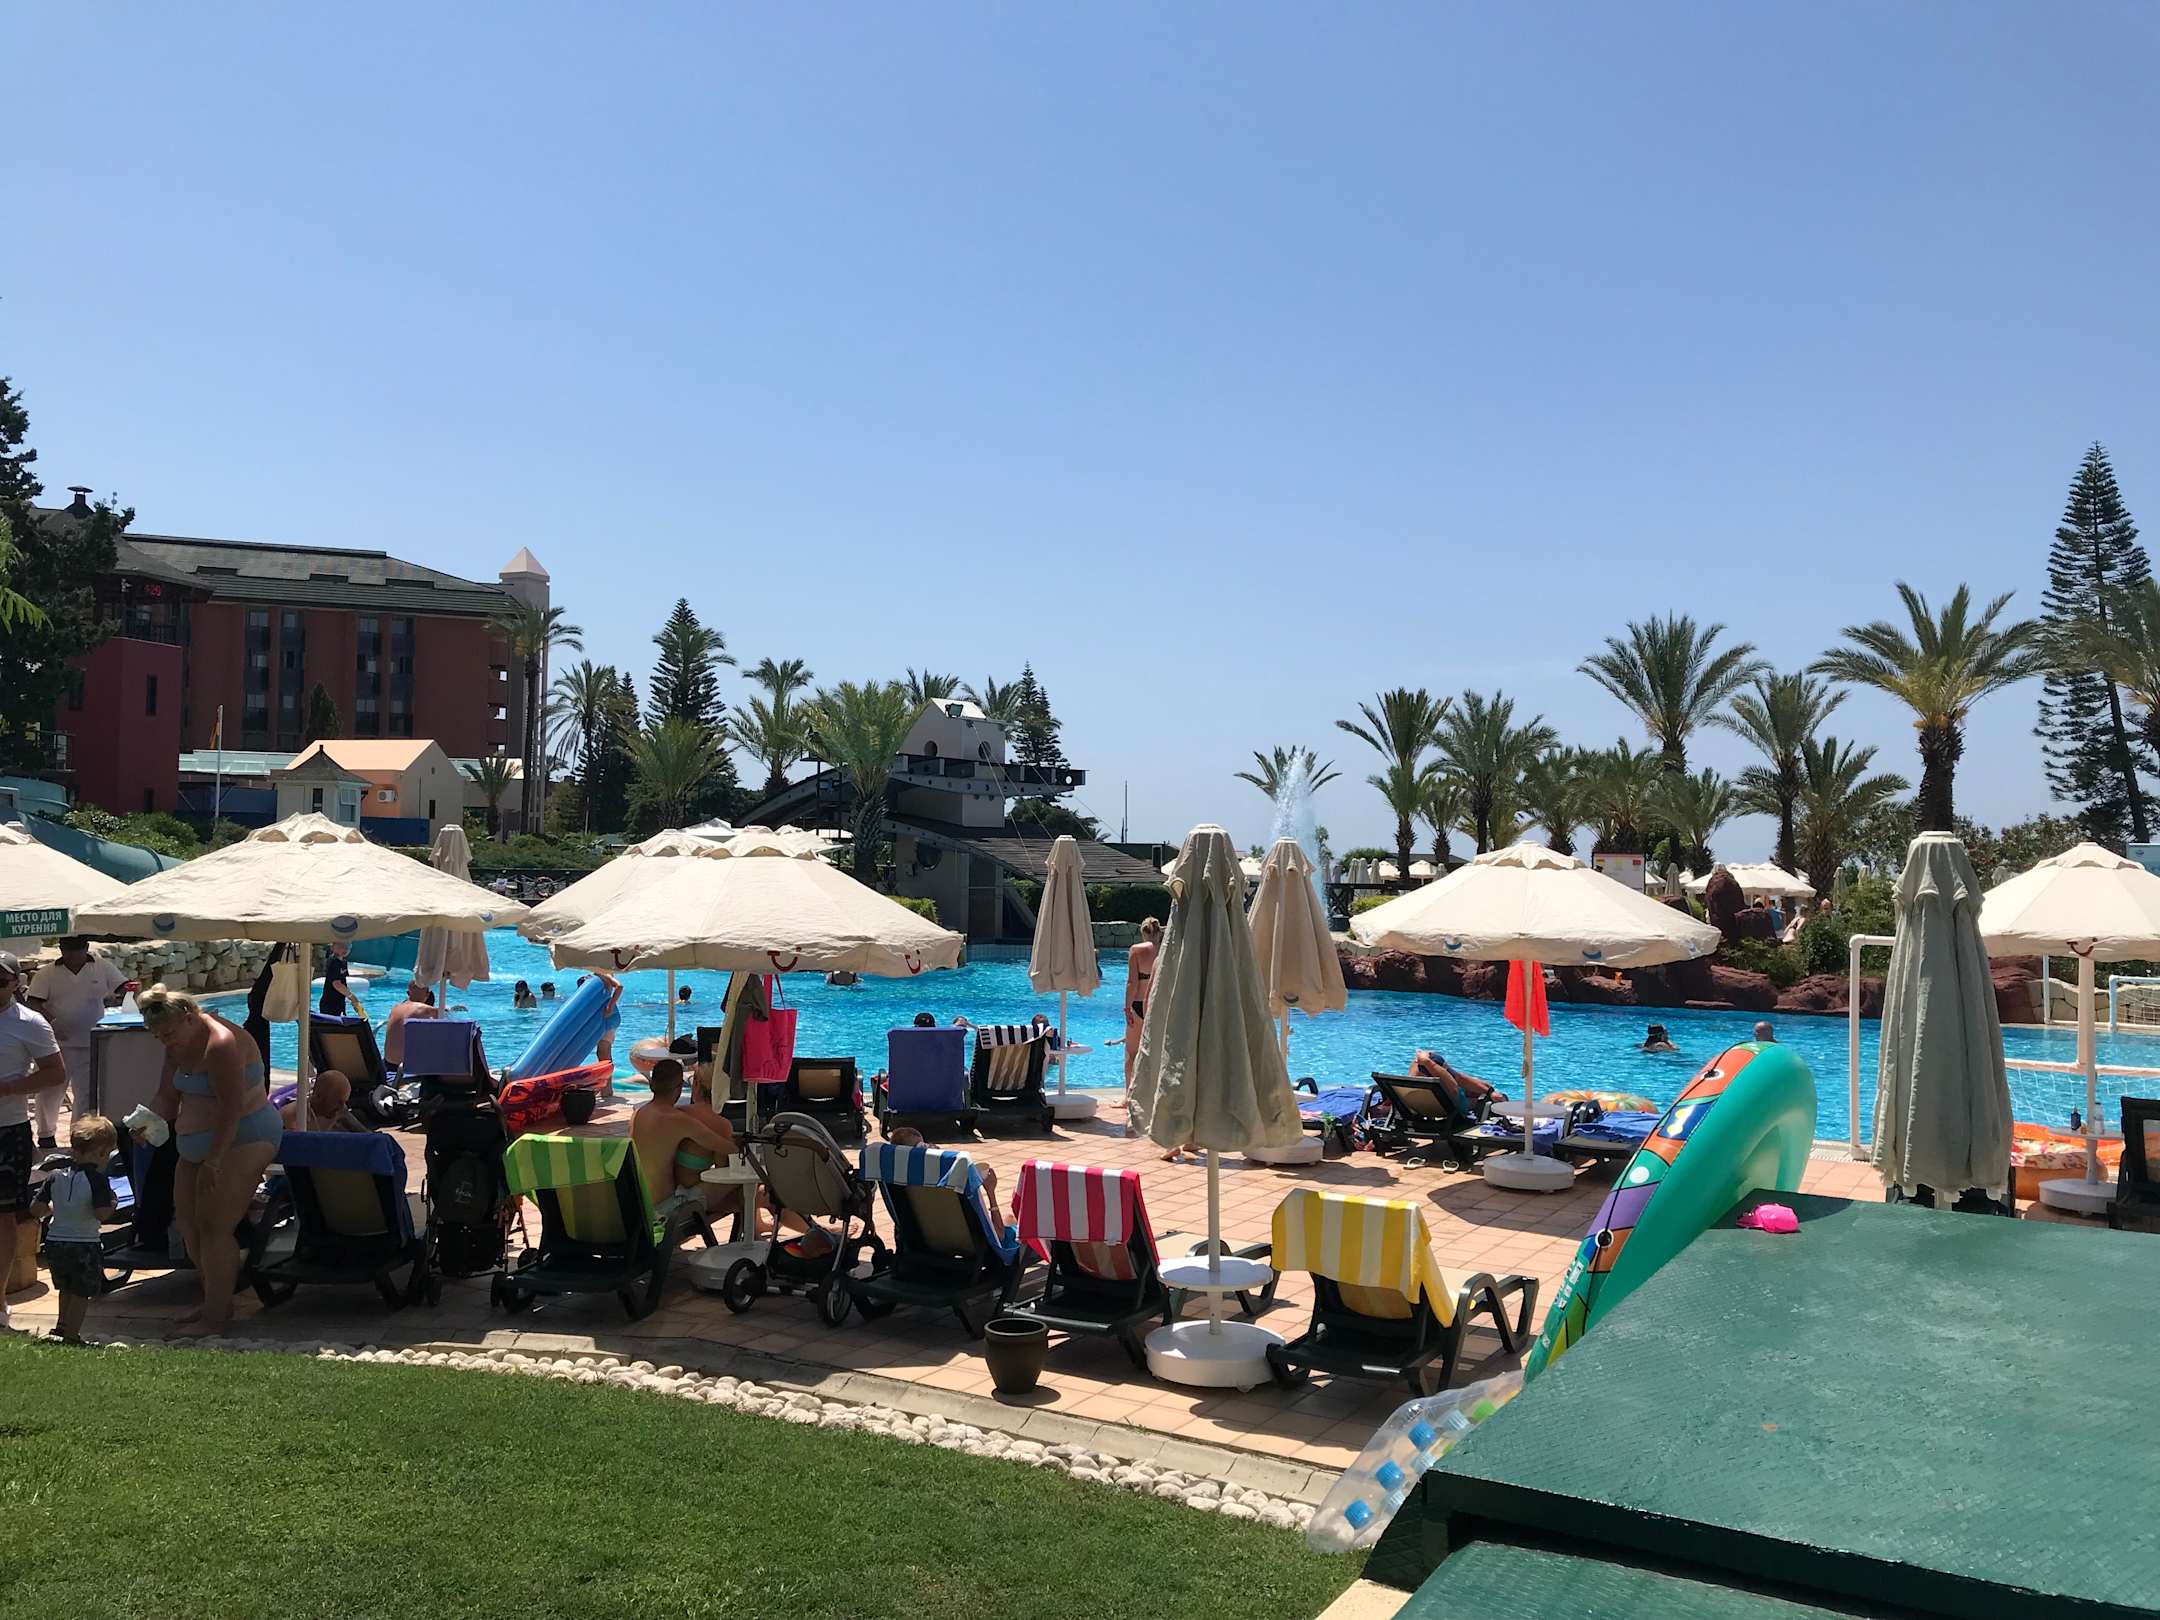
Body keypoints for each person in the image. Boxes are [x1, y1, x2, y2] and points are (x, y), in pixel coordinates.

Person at [140, 983, 283, 1337]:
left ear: (189, 1018)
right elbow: (166, 1096)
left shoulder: (221, 1044)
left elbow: (230, 1109)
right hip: (195, 1144)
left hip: (243, 1137)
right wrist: (146, 1122)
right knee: (189, 1226)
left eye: (168, 1034)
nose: (164, 1041)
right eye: (158, 1036)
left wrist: (214, 1161)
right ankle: (215, 1301)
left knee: (215, 1226)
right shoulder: (175, 1044)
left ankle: (215, 1319)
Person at [0, 951, 66, 1334]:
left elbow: (55, 1073)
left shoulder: (29, 1022)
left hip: (7, 1130)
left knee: (4, 1216)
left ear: (15, 984)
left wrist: (9, 1088)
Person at [27, 936, 128, 1149]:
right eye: (66, 949)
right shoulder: (47, 973)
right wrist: (52, 1022)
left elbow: (123, 986)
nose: (71, 954)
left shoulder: (101, 966)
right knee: (50, 1091)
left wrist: (129, 994)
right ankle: (46, 1135)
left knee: (85, 1093)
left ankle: (79, 1137)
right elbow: (33, 1002)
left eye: (75, 949)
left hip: (91, 1041)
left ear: (86, 948)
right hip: (55, 1044)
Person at [37, 1113, 119, 1344]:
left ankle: (61, 1328)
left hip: (55, 1243)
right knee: (82, 1292)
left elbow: (36, 1208)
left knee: (65, 1288)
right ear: (102, 1153)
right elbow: (101, 1213)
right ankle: (72, 1336)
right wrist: (113, 1203)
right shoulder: (97, 1180)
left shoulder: (55, 1177)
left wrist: (57, 1207)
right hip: (84, 1243)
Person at [629, 1058, 740, 1229]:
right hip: (665, 1209)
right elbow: (728, 1148)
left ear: (652, 1084)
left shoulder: (638, 1114)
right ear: (680, 1087)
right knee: (740, 1182)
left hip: (639, 1204)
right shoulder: (677, 1119)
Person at [885, 1124, 999, 1220]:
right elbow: (999, 1234)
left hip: (915, 1238)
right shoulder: (948, 1184)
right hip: (961, 1237)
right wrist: (990, 1192)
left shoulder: (895, 1181)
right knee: (1008, 1220)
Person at [242, 941, 295, 1078]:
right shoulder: (260, 997)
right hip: (258, 1025)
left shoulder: (258, 998)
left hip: (256, 1025)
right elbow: (269, 971)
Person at [1124, 917, 1162, 1089]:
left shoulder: (1136, 950)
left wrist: (1127, 1008)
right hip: (1158, 1004)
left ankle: (1129, 1094)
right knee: (1157, 1052)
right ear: (1159, 932)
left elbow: (1132, 983)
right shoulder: (1166, 950)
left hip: (1138, 1004)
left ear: (1143, 933)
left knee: (1132, 1053)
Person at [279, 1068, 367, 1133]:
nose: (341, 1107)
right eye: (338, 1102)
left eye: (344, 1102)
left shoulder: (339, 1109)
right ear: (318, 1097)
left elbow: (365, 1134)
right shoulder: (293, 1116)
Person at [1411, 1049, 1502, 1109]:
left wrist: (1424, 1056)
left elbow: (1420, 1060)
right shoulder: (1447, 1081)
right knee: (1486, 1098)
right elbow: (1460, 1079)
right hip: (1451, 1108)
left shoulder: (1411, 1081)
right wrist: (1490, 1091)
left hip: (1424, 1107)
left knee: (1471, 1088)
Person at [382, 981, 441, 1069]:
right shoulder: (424, 1009)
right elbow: (447, 1016)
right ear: (427, 994)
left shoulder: (395, 1008)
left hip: (388, 1064)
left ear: (408, 993)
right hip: (406, 1068)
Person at [318, 940, 365, 1019]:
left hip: (339, 1002)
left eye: (348, 947)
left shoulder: (343, 962)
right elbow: (336, 984)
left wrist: (352, 1000)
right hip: (329, 1003)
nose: (345, 949)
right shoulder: (333, 961)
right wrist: (352, 997)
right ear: (333, 947)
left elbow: (343, 982)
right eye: (341, 946)